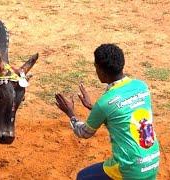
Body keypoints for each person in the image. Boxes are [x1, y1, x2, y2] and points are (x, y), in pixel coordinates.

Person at [55, 44, 160, 180]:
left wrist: (71, 113)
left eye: (96, 67)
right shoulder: (141, 86)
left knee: (83, 177)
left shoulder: (105, 103)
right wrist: (93, 108)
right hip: (152, 162)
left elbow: (83, 133)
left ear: (102, 72)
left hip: (130, 168)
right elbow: (122, 114)